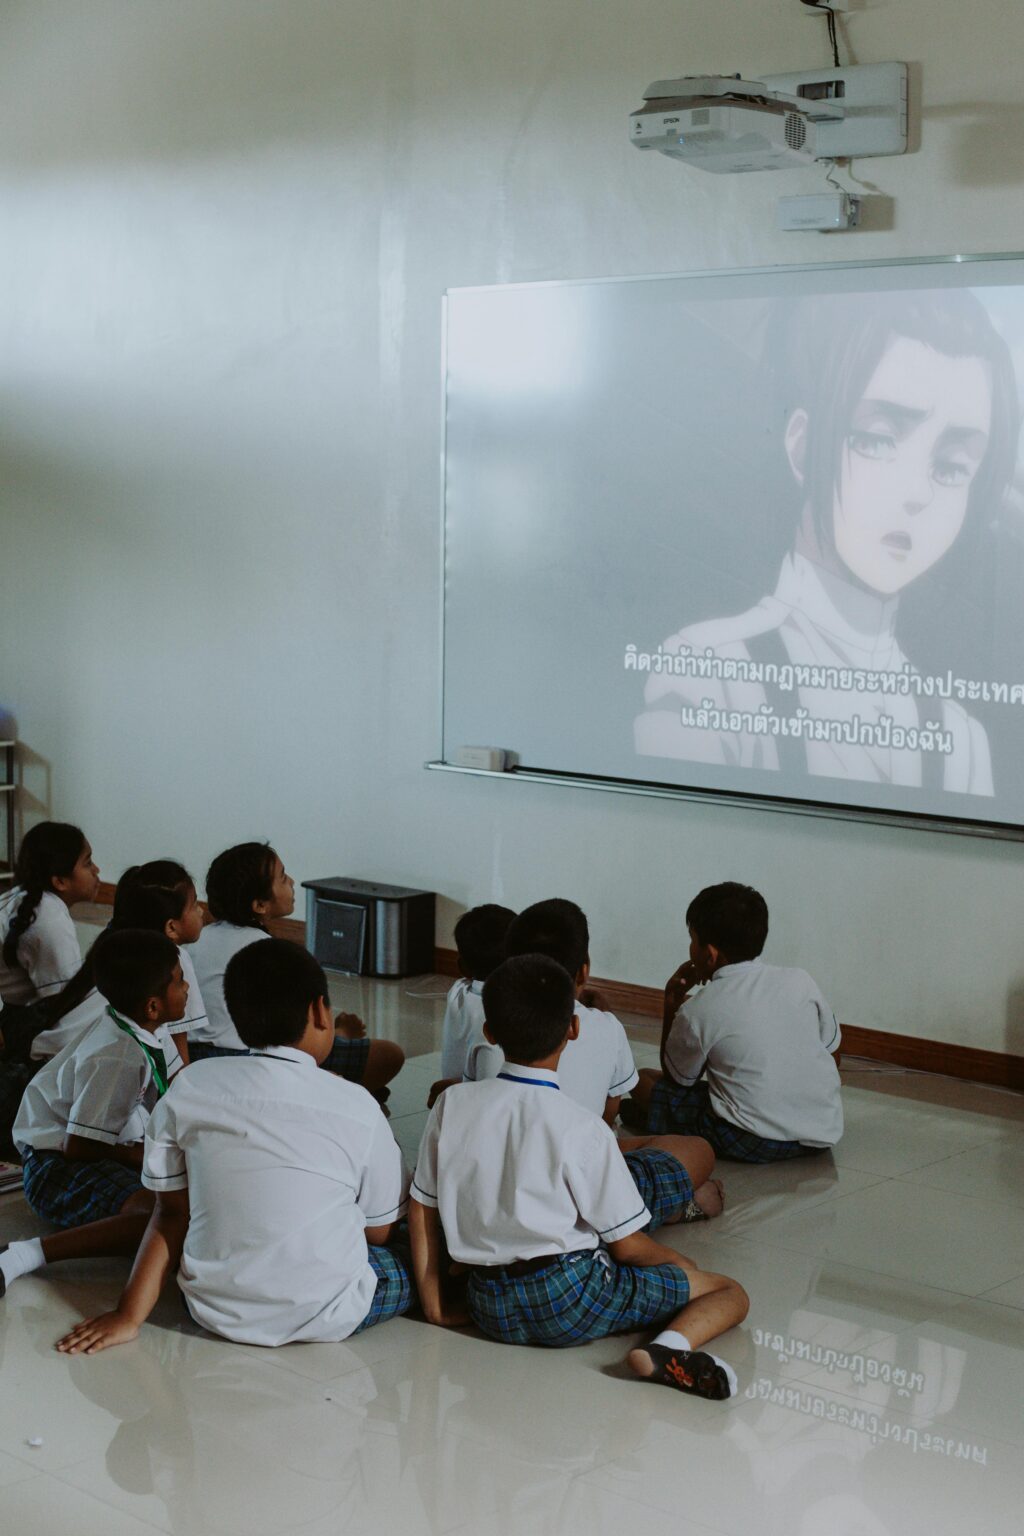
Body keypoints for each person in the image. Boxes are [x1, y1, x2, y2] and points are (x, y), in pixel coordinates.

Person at [635, 290, 1020, 795]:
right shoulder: (710, 672)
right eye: (878, 439)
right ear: (801, 446)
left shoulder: (963, 741)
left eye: (950, 468)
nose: (917, 493)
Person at [409, 954, 749, 1399]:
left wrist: (435, 1305)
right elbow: (627, 1245)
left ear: (489, 1033)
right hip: (568, 1298)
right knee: (728, 1290)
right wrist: (680, 1265)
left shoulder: (451, 1105)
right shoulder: (582, 1127)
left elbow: (422, 1206)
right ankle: (667, 1347)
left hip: (486, 1302)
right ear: (573, 1028)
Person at [56, 939, 413, 1352]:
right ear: (319, 1011)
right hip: (327, 1309)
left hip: (211, 1306)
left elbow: (169, 1212)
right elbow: (379, 1231)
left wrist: (128, 1315)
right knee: (408, 1249)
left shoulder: (191, 1086)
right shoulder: (357, 1105)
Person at [1, 930, 186, 1297]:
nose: (187, 990)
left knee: (184, 1203)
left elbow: (181, 1088)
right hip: (54, 1166)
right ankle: (23, 1255)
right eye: (180, 982)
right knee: (161, 1214)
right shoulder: (119, 1053)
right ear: (152, 1005)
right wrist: (142, 1154)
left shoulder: (148, 1030)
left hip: (97, 1151)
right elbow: (78, 1146)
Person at [625, 882, 843, 1162]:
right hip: (821, 1133)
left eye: (693, 940)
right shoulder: (800, 980)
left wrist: (672, 1003)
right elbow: (834, 1056)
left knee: (642, 1079)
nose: (690, 948)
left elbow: (678, 1078)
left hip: (752, 1139)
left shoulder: (701, 1007)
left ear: (710, 954)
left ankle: (650, 1119)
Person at [188, 841, 403, 1099]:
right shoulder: (267, 952)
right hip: (254, 1063)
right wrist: (337, 1034)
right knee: (389, 1054)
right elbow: (291, 1034)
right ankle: (331, 1080)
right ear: (259, 905)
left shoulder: (197, 940)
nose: (291, 881)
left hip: (194, 1060)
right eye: (282, 877)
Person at [474, 898, 638, 1125]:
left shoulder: (492, 1027)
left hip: (496, 1148)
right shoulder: (610, 1027)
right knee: (693, 1148)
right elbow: (609, 1110)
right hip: (584, 1148)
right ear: (583, 971)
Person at [29, 860, 207, 1066]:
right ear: (171, 927)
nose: (201, 910)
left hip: (50, 1060)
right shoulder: (174, 960)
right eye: (194, 905)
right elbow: (178, 1044)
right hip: (79, 1065)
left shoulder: (115, 946)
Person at [0, 822, 100, 1157]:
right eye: (87, 863)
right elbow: (62, 1007)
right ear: (60, 880)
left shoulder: (26, 901)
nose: (97, 871)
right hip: (15, 1025)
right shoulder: (48, 918)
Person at [427, 902, 516, 1106]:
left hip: (454, 1102)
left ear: (462, 968)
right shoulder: (504, 1010)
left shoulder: (458, 991)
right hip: (480, 1104)